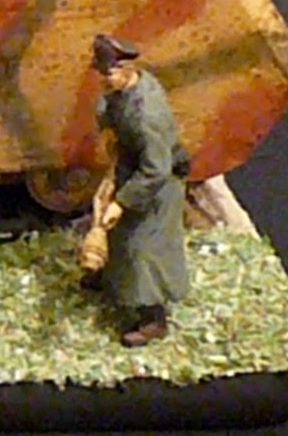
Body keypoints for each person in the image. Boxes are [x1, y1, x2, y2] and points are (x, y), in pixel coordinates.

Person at [90, 33, 191, 346]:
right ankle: (110, 277)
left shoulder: (148, 114)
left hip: (158, 184)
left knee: (144, 248)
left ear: (126, 69)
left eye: (109, 74)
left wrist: (121, 202)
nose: (104, 80)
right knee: (119, 235)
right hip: (132, 168)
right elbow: (110, 108)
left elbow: (156, 169)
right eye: (102, 73)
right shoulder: (123, 90)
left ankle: (153, 319)